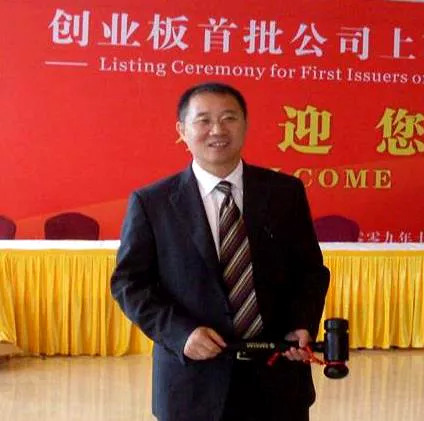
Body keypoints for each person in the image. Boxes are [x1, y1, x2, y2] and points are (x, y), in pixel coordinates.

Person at [111, 82, 330, 421]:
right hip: (192, 383)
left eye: (229, 118)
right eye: (204, 120)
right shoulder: (153, 203)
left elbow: (309, 272)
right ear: (182, 131)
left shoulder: (285, 193)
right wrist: (180, 333)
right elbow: (130, 284)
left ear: (245, 125)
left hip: (278, 378)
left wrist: (301, 323)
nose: (217, 130)